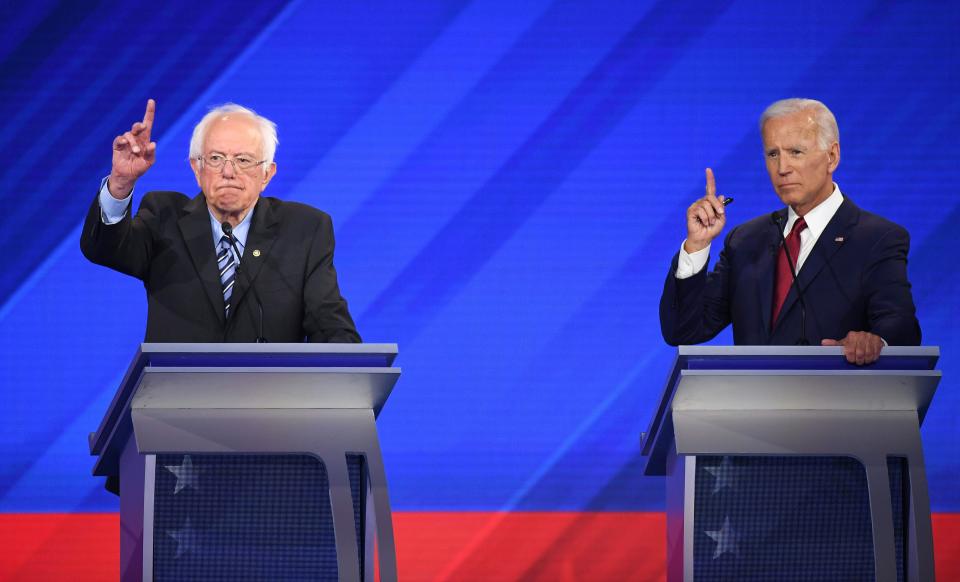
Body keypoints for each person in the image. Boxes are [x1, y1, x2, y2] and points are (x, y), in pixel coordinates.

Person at [659, 98, 920, 365]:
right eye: (773, 154)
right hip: (755, 403)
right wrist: (697, 246)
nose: (782, 168)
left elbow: (901, 326)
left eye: (796, 152)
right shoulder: (746, 240)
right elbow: (683, 330)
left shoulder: (876, 238)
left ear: (832, 156)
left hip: (835, 399)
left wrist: (874, 342)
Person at [81, 99, 361, 343]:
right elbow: (103, 248)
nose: (229, 171)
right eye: (216, 158)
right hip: (177, 397)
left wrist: (349, 375)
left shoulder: (304, 230)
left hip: (269, 399)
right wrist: (121, 182)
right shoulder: (164, 217)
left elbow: (329, 324)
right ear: (197, 168)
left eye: (243, 160)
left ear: (267, 174)